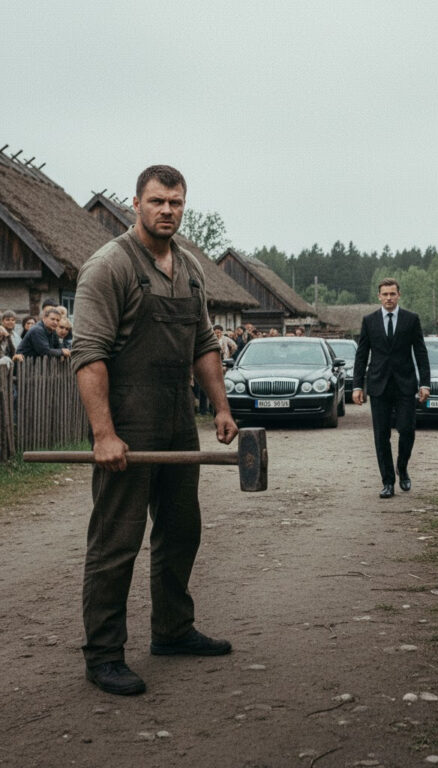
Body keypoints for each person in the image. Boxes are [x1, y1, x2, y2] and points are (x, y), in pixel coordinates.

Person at [71, 164, 238, 696]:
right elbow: (88, 355)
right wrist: (104, 434)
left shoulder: (189, 268)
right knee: (117, 541)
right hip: (127, 424)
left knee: (181, 530)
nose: (167, 210)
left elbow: (205, 344)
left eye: (176, 202)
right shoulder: (108, 268)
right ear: (135, 203)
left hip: (175, 422)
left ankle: (171, 629)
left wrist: (220, 408)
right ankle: (103, 654)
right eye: (157, 201)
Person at [352, 278, 430, 499]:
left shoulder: (411, 320)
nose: (388, 298)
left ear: (399, 295)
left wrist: (425, 383)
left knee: (406, 430)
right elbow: (361, 354)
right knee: (381, 435)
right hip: (378, 385)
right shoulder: (369, 321)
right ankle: (387, 481)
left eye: (392, 294)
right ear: (379, 296)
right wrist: (358, 385)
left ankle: (402, 467)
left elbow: (421, 352)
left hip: (405, 384)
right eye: (385, 294)